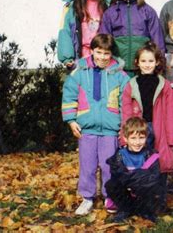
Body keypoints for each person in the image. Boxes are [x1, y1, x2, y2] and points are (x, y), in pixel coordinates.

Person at [61, 33, 130, 215]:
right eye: (98, 52)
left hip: (110, 129)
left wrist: (123, 129)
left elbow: (126, 104)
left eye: (106, 53)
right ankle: (87, 198)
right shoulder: (79, 72)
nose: (102, 57)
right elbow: (69, 96)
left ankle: (110, 196)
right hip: (86, 129)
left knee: (109, 166)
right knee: (88, 165)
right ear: (92, 51)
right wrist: (71, 121)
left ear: (111, 54)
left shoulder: (120, 75)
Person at [121, 42, 173, 210]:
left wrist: (171, 138)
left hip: (159, 128)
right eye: (143, 61)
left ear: (157, 63)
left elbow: (170, 113)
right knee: (140, 164)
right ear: (137, 63)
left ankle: (159, 200)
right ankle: (141, 201)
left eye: (150, 61)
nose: (147, 65)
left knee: (160, 165)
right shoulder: (131, 85)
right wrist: (125, 136)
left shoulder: (164, 85)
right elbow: (126, 112)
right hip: (139, 130)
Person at [100, 0, 165, 75]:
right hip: (118, 69)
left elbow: (157, 40)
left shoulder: (147, 11)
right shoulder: (110, 13)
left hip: (143, 69)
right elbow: (103, 41)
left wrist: (160, 66)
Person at [105, 117, 162, 222]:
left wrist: (133, 178)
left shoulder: (150, 154)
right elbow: (118, 174)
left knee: (152, 184)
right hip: (127, 193)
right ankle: (125, 209)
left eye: (141, 138)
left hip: (143, 193)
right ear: (126, 139)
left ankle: (146, 211)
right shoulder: (120, 155)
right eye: (133, 138)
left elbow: (154, 177)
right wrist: (138, 176)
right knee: (111, 184)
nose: (137, 142)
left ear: (146, 138)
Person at [58, 0, 111, 70]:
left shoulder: (107, 5)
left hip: (102, 56)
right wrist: (67, 57)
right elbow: (65, 31)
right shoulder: (71, 7)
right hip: (81, 58)